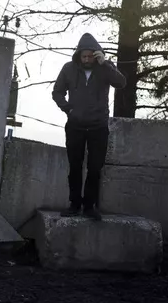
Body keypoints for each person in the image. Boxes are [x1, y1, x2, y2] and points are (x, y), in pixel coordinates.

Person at [52, 33, 126, 221]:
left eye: (90, 56)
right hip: (75, 125)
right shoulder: (68, 69)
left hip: (98, 126)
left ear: (96, 55)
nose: (86, 60)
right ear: (78, 55)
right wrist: (68, 109)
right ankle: (74, 204)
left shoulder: (105, 68)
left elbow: (121, 83)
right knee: (75, 167)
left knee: (95, 168)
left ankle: (89, 206)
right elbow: (57, 92)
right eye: (83, 56)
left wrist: (105, 64)